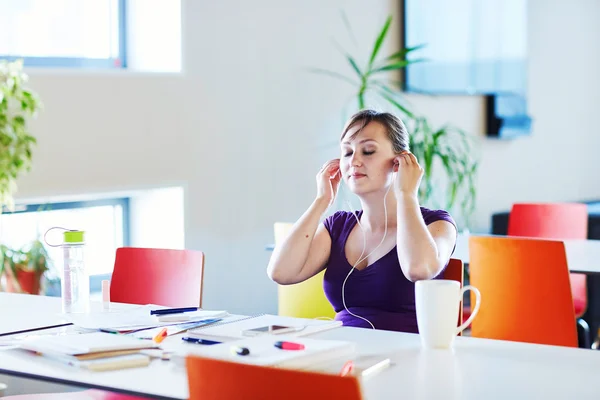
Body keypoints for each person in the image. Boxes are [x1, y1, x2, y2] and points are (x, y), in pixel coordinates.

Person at [267, 109, 457, 333]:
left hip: (409, 357)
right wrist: (322, 201)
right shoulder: (338, 227)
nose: (354, 161)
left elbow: (418, 269)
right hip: (344, 354)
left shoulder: (436, 223)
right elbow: (281, 272)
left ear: (400, 162)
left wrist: (407, 194)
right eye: (347, 153)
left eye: (367, 151)